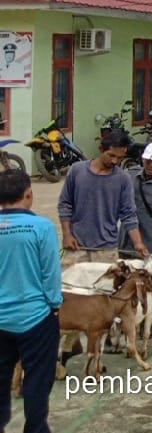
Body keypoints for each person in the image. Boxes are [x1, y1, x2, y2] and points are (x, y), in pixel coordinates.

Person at [0, 169, 60, 433]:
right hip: (36, 318)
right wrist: (55, 306)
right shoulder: (42, 227)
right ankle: (35, 428)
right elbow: (50, 274)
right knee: (37, 380)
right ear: (29, 194)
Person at [58, 129, 147, 265]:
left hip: (107, 250)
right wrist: (67, 235)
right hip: (77, 246)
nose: (114, 161)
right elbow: (65, 205)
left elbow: (129, 214)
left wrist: (138, 243)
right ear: (101, 149)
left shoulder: (123, 179)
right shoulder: (77, 171)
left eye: (119, 158)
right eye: (111, 155)